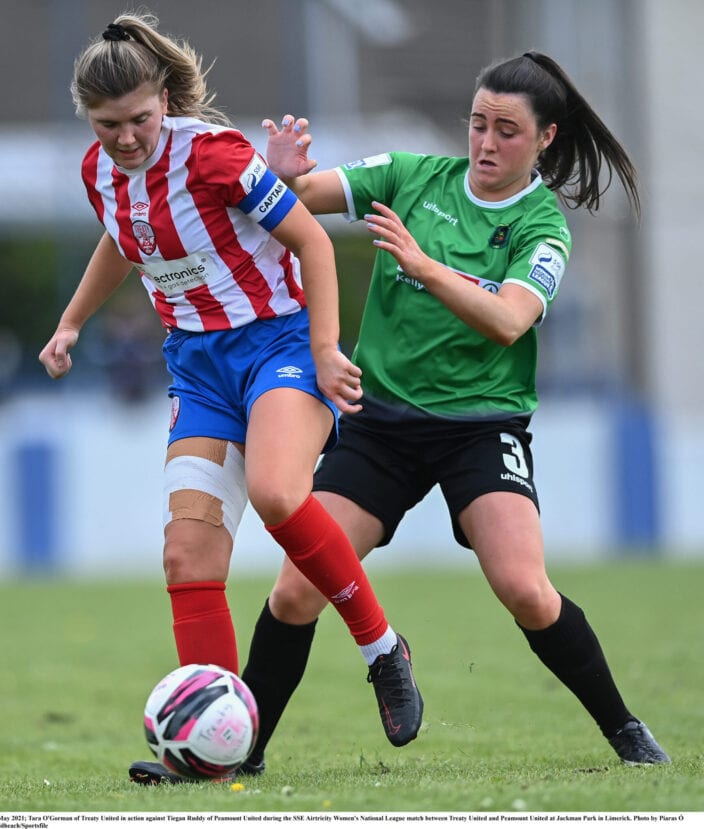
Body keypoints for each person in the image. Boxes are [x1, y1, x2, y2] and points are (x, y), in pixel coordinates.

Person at [232, 50, 671, 775]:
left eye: (506, 130)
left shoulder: (542, 227)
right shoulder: (411, 176)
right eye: (477, 124)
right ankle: (243, 751)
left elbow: (508, 321)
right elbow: (299, 200)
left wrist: (424, 264)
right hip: (381, 423)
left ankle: (626, 730)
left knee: (526, 589)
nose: (486, 143)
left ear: (545, 139)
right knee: (295, 587)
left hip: (482, 426)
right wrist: (279, 172)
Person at [37, 11, 423, 785]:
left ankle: (382, 648)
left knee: (278, 492)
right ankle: (212, 760)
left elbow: (312, 240)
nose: (126, 138)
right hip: (199, 369)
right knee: (186, 556)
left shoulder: (214, 154)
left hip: (279, 346)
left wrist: (322, 349)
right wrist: (71, 322)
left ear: (164, 103)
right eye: (109, 124)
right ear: (89, 116)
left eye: (141, 120)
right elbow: (124, 237)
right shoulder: (97, 171)